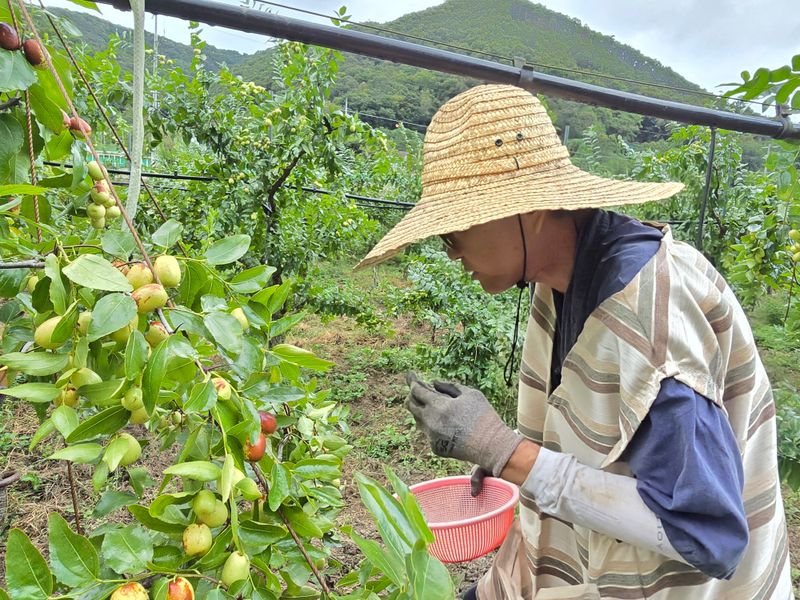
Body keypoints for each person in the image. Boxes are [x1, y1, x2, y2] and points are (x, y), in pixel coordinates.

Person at [356, 85, 793, 599]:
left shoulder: (646, 319)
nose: (451, 253)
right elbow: (600, 429)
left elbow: (707, 536)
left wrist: (508, 453)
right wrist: (507, 451)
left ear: (531, 210)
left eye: (454, 232)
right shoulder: (559, 278)